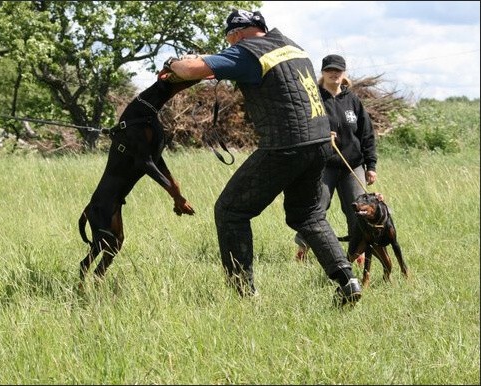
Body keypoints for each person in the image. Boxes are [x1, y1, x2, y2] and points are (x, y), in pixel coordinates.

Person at [161, 9, 361, 306]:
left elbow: (191, 70)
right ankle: (348, 280)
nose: (230, 45)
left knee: (230, 211)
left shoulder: (247, 53)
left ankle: (244, 296)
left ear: (237, 34)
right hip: (320, 142)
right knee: (307, 214)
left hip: (286, 145)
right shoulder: (291, 47)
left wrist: (173, 62)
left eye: (229, 39)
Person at [294, 54, 377, 266]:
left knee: (358, 211)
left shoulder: (353, 101)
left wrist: (371, 165)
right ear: (322, 73)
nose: (334, 73)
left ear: (343, 73)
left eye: (338, 70)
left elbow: (366, 134)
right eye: (330, 70)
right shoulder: (314, 99)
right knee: (316, 208)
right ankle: (303, 248)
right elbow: (302, 128)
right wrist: (323, 135)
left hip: (353, 165)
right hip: (323, 165)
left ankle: (356, 252)